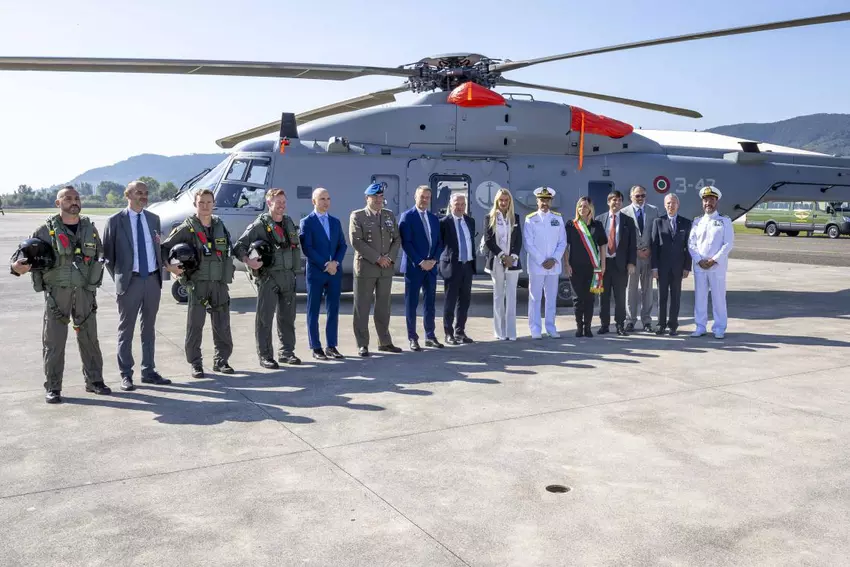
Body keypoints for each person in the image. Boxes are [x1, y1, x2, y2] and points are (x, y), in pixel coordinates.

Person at [10, 186, 111, 403]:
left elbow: (99, 255)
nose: (74, 202)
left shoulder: (90, 229)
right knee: (54, 342)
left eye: (77, 198)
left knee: (90, 339)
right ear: (58, 203)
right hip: (57, 294)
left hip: (84, 292)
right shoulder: (44, 231)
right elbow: (19, 257)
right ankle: (53, 387)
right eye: (68, 198)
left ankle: (95, 381)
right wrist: (17, 267)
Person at [102, 180, 171, 391]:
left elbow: (157, 248)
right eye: (139, 192)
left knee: (149, 328)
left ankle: (148, 370)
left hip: (152, 280)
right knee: (126, 329)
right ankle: (126, 374)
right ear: (128, 195)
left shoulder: (153, 219)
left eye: (146, 193)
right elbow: (108, 257)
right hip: (130, 282)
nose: (143, 196)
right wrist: (122, 279)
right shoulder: (115, 221)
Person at [161, 188, 236, 378]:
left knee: (222, 324)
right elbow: (164, 248)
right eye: (201, 202)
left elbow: (228, 250)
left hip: (219, 283)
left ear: (214, 204)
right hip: (197, 283)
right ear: (195, 204)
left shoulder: (220, 226)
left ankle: (221, 361)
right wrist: (170, 268)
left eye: (209, 202)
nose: (205, 206)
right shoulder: (187, 228)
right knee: (195, 326)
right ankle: (196, 363)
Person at [233, 188, 303, 369]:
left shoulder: (288, 222)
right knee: (265, 319)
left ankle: (286, 352)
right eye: (278, 202)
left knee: (288, 318)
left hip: (288, 276)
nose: (282, 206)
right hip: (269, 278)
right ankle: (265, 355)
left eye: (284, 202)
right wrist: (249, 261)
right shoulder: (260, 225)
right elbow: (239, 246)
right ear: (269, 203)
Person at [349, 182, 402, 357]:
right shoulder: (358, 216)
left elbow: (397, 239)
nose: (379, 200)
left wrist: (389, 258)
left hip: (386, 269)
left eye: (381, 196)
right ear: (367, 198)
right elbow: (356, 241)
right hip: (366, 268)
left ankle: (384, 342)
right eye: (375, 197)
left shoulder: (388, 215)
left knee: (383, 307)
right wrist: (378, 258)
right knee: (362, 307)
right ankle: (362, 344)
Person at [299, 187, 348, 360]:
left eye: (328, 199)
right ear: (314, 201)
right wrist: (325, 264)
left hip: (334, 272)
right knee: (313, 310)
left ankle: (331, 345)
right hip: (316, 272)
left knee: (333, 309)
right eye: (322, 199)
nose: (326, 202)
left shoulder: (335, 222)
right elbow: (307, 248)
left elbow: (342, 245)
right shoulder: (307, 222)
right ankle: (316, 347)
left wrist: (336, 262)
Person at [398, 185, 443, 351]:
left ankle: (430, 336)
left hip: (431, 267)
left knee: (430, 303)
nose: (424, 200)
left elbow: (439, 242)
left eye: (427, 197)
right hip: (414, 267)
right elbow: (406, 243)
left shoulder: (433, 218)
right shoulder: (407, 217)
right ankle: (412, 338)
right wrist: (420, 261)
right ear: (415, 197)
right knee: (412, 304)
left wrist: (434, 260)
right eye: (422, 197)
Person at [688, 186, 734, 339]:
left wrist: (714, 259)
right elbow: (691, 243)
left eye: (711, 200)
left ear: (716, 202)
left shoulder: (724, 221)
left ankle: (719, 327)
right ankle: (700, 326)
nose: (708, 203)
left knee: (718, 298)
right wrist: (698, 260)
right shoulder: (697, 221)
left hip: (716, 267)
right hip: (700, 266)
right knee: (700, 298)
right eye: (706, 200)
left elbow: (728, 244)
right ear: (702, 202)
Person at [523, 186, 567, 339]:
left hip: (553, 265)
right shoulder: (530, 219)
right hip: (537, 266)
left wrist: (554, 259)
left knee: (551, 298)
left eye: (547, 200)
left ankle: (550, 327)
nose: (544, 203)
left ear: (551, 201)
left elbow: (562, 242)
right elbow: (528, 243)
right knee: (535, 298)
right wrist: (542, 261)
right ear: (537, 201)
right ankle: (535, 328)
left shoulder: (557, 218)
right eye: (542, 200)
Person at [564, 196, 607, 337]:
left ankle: (587, 327)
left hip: (592, 268)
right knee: (577, 299)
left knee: (589, 299)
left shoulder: (597, 225)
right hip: (575, 267)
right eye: (580, 206)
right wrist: (566, 264)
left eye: (585, 206)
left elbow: (602, 245)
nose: (582, 209)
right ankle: (579, 327)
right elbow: (565, 246)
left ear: (590, 209)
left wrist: (603, 265)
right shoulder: (571, 225)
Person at [483, 188, 522, 341]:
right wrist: (502, 256)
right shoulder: (489, 217)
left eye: (506, 200)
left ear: (510, 202)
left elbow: (519, 240)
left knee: (512, 297)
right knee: (498, 296)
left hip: (513, 261)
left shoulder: (515, 218)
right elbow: (488, 240)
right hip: (497, 261)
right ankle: (499, 331)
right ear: (497, 201)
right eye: (501, 200)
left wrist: (512, 257)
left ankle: (511, 332)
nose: (503, 203)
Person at [596, 190, 636, 336]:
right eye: (614, 200)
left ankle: (620, 325)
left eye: (619, 200)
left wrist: (631, 263)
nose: (617, 203)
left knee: (620, 297)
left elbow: (632, 244)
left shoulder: (628, 221)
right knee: (603, 296)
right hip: (603, 264)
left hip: (620, 265)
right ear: (608, 202)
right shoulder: (599, 220)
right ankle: (604, 325)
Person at [651, 194, 692, 336]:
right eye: (668, 203)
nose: (671, 205)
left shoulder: (686, 223)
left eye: (673, 203)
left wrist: (687, 267)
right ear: (664, 205)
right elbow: (654, 246)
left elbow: (688, 247)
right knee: (661, 297)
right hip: (662, 268)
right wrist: (654, 267)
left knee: (675, 297)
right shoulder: (658, 222)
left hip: (678, 267)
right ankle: (661, 324)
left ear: (678, 205)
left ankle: (673, 325)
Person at [439, 193, 477, 345]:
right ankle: (448, 333)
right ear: (451, 205)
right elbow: (440, 245)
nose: (460, 207)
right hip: (452, 267)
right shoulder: (444, 223)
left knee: (464, 301)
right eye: (457, 204)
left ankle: (460, 331)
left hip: (467, 266)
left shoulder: (470, 221)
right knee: (450, 301)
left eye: (462, 204)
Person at [621, 184, 659, 332]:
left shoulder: (653, 210)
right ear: (631, 197)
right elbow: (624, 237)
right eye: (637, 196)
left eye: (643, 195)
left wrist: (650, 249)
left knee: (647, 290)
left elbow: (656, 233)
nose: (640, 198)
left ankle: (647, 321)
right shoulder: (624, 212)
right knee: (631, 289)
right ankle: (630, 320)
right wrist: (636, 251)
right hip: (633, 257)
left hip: (648, 256)